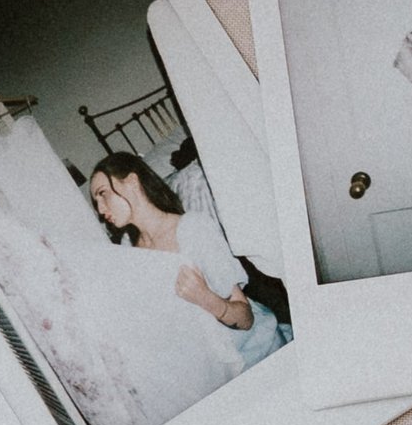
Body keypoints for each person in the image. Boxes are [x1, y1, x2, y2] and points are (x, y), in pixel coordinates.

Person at [88, 153, 284, 368]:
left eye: (103, 194)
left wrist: (204, 297)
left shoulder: (193, 228)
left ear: (132, 182)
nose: (100, 209)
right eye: (96, 201)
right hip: (208, 364)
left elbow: (246, 319)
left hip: (255, 353)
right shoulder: (128, 249)